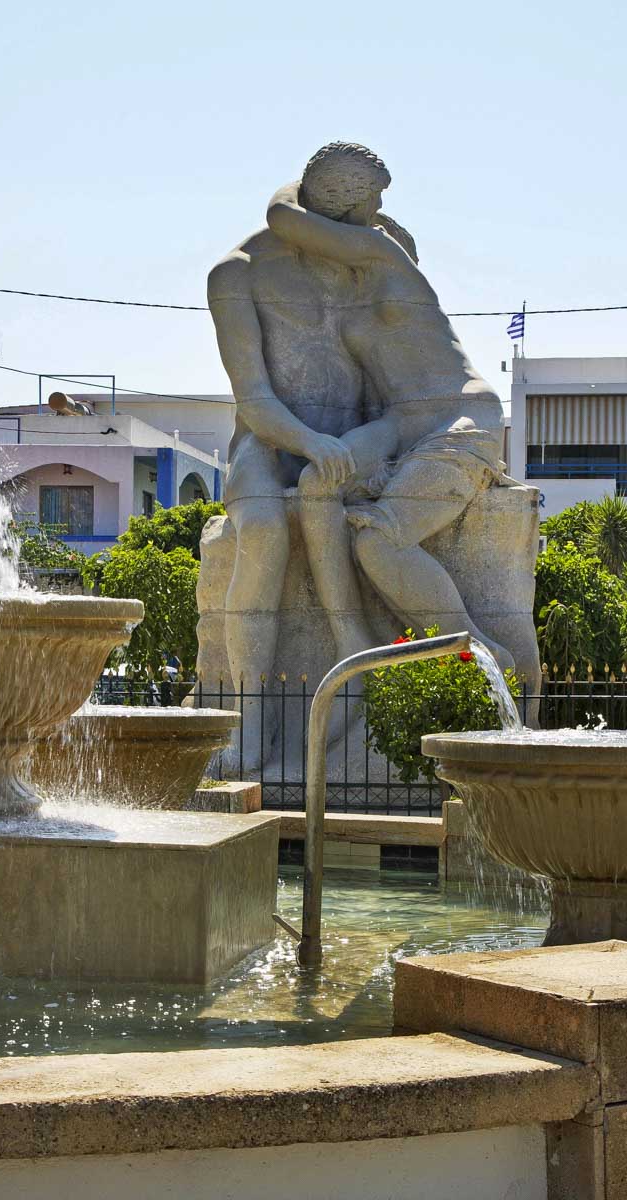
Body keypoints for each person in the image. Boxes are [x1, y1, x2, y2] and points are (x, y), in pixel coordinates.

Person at [266, 154, 514, 668]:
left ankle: (483, 659)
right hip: (402, 424)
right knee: (318, 480)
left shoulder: (385, 256)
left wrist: (306, 188)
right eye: (373, 199)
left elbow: (281, 218)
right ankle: (350, 638)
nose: (379, 209)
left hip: (458, 415)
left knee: (378, 542)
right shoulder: (348, 302)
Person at [206, 144, 392, 765]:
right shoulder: (236, 273)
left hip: (358, 437)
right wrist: (310, 443)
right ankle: (251, 718)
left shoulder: (371, 258)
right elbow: (254, 398)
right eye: (371, 206)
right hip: (269, 440)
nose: (380, 218)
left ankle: (355, 664)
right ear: (338, 210)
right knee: (259, 527)